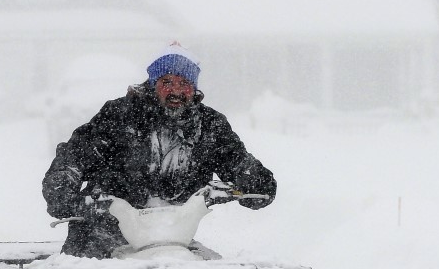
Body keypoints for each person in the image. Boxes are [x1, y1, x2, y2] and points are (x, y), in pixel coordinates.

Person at [43, 42, 276, 258]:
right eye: (167, 82)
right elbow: (74, 157)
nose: (176, 91)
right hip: (101, 237)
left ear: (194, 88)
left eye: (184, 83)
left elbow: (236, 161)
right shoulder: (120, 116)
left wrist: (253, 182)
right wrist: (63, 190)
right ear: (153, 84)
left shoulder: (209, 126)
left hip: (172, 239)